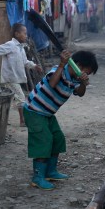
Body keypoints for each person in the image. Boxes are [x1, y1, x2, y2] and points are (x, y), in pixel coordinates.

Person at [24, 50, 98, 190]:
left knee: (57, 138)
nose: (85, 75)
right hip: (34, 110)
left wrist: (83, 83)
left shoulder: (76, 80)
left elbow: (80, 94)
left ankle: (50, 171)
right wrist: (62, 64)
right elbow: (52, 84)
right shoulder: (57, 71)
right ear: (78, 66)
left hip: (47, 113)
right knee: (43, 140)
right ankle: (38, 177)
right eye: (86, 72)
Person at [0, 23, 42, 127]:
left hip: (14, 78)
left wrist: (34, 66)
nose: (26, 35)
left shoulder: (20, 48)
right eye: (24, 33)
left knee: (7, 100)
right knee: (20, 97)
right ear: (17, 34)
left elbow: (25, 62)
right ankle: (22, 121)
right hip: (10, 78)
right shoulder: (10, 45)